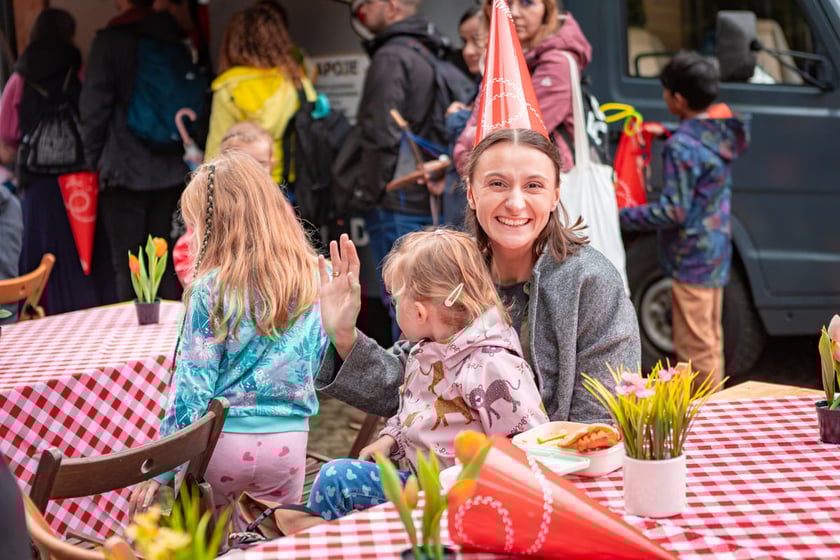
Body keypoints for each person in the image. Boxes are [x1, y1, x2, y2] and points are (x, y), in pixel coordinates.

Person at [318, 128, 639, 425]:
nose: (515, 203)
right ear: (471, 193)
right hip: (449, 471)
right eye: (497, 183)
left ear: (555, 197)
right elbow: (406, 387)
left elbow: (601, 416)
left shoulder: (591, 281)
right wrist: (345, 336)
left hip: (554, 475)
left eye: (534, 186)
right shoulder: (449, 269)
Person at [128, 152, 330, 525]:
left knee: (208, 546)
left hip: (221, 444)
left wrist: (160, 471)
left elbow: (191, 390)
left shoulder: (210, 290)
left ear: (214, 226)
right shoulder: (316, 276)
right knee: (269, 542)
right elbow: (322, 361)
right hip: (288, 442)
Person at [308, 229, 548, 520]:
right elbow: (416, 408)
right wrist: (392, 439)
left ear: (420, 312)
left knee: (336, 478)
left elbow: (531, 444)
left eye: (395, 300)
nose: (394, 308)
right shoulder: (427, 349)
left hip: (460, 501)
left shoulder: (491, 365)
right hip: (422, 482)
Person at [620, 51, 750, 390]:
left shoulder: (681, 147)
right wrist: (667, 132)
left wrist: (622, 215)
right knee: (709, 338)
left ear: (677, 98)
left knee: (694, 349)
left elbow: (674, 211)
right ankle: (714, 409)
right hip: (716, 250)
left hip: (691, 256)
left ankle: (705, 421)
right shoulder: (719, 132)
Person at [351, 0, 460, 342]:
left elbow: (380, 133)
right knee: (430, 301)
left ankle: (408, 389)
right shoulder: (433, 50)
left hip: (396, 200)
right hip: (431, 195)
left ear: (393, 5)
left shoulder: (391, 57)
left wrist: (368, 194)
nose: (359, 12)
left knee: (403, 302)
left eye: (365, 3)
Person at [0, 7, 115, 315]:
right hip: (79, 183)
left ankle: (43, 314)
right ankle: (89, 312)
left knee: (40, 251)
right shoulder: (78, 70)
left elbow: (7, 131)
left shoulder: (19, 78)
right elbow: (93, 115)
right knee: (85, 254)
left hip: (38, 185)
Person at [80, 0, 195, 302]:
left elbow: (94, 107)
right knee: (167, 260)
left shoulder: (109, 42)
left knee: (128, 264)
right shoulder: (173, 36)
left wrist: (93, 162)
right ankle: (171, 337)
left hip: (123, 168)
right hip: (171, 167)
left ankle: (130, 341)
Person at [454, 0, 592, 174]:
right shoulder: (502, 58)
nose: (515, 12)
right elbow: (480, 137)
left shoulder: (556, 63)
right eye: (507, 3)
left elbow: (518, 138)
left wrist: (471, 140)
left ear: (547, 9)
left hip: (540, 182)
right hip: (505, 178)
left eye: (527, 2)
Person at [205, 3, 315, 184]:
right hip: (294, 183)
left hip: (246, 186)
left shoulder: (229, 87)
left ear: (234, 42)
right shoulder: (296, 81)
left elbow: (215, 153)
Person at [172, 121, 277, 288]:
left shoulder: (280, 206)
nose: (254, 172)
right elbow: (186, 250)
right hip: (219, 296)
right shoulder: (212, 205)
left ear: (271, 164)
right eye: (245, 165)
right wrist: (200, 285)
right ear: (224, 167)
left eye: (261, 164)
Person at [442, 5, 484, 229]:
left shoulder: (500, 88)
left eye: (476, 40)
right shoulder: (477, 87)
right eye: (464, 41)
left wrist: (460, 117)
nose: (467, 51)